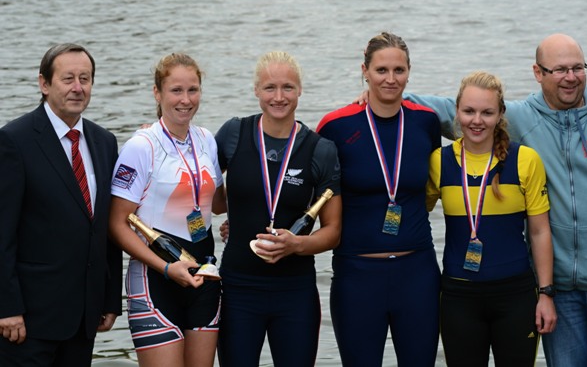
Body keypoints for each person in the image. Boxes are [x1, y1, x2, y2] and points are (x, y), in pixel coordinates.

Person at [405, 33, 587, 367]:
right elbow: (450, 111)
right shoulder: (519, 118)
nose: (570, 77)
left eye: (578, 68)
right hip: (559, 288)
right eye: (559, 70)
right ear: (538, 72)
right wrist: (388, 96)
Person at [317, 32, 442, 366]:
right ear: (365, 71)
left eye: (399, 70)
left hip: (417, 272)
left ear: (409, 72)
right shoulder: (335, 126)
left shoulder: (426, 121)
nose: (390, 79)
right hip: (357, 273)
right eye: (381, 70)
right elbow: (307, 192)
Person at [215, 51, 342, 367]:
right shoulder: (233, 134)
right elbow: (206, 195)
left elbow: (333, 232)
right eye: (270, 87)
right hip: (238, 288)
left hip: (294, 291)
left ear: (300, 90)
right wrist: (156, 135)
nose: (279, 97)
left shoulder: (320, 149)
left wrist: (297, 244)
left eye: (288, 87)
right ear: (256, 90)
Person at [0, 43, 122, 367]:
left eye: (85, 79)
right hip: (28, 321)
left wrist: (110, 299)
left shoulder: (104, 142)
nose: (77, 88)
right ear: (44, 83)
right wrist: (6, 307)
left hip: (84, 316)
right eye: (68, 79)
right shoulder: (14, 141)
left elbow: (105, 226)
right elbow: (2, 232)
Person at [426, 71, 556, 366]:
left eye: (487, 112)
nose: (477, 120)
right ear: (457, 111)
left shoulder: (525, 160)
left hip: (516, 296)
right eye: (469, 111)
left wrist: (546, 294)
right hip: (458, 296)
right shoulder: (439, 162)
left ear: (500, 115)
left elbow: (539, 232)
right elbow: (415, 217)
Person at [108, 53, 225, 367]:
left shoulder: (207, 140)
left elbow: (218, 204)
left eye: (193, 90)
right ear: (157, 93)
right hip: (156, 280)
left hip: (203, 278)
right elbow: (117, 224)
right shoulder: (141, 147)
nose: (185, 100)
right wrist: (165, 268)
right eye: (176, 90)